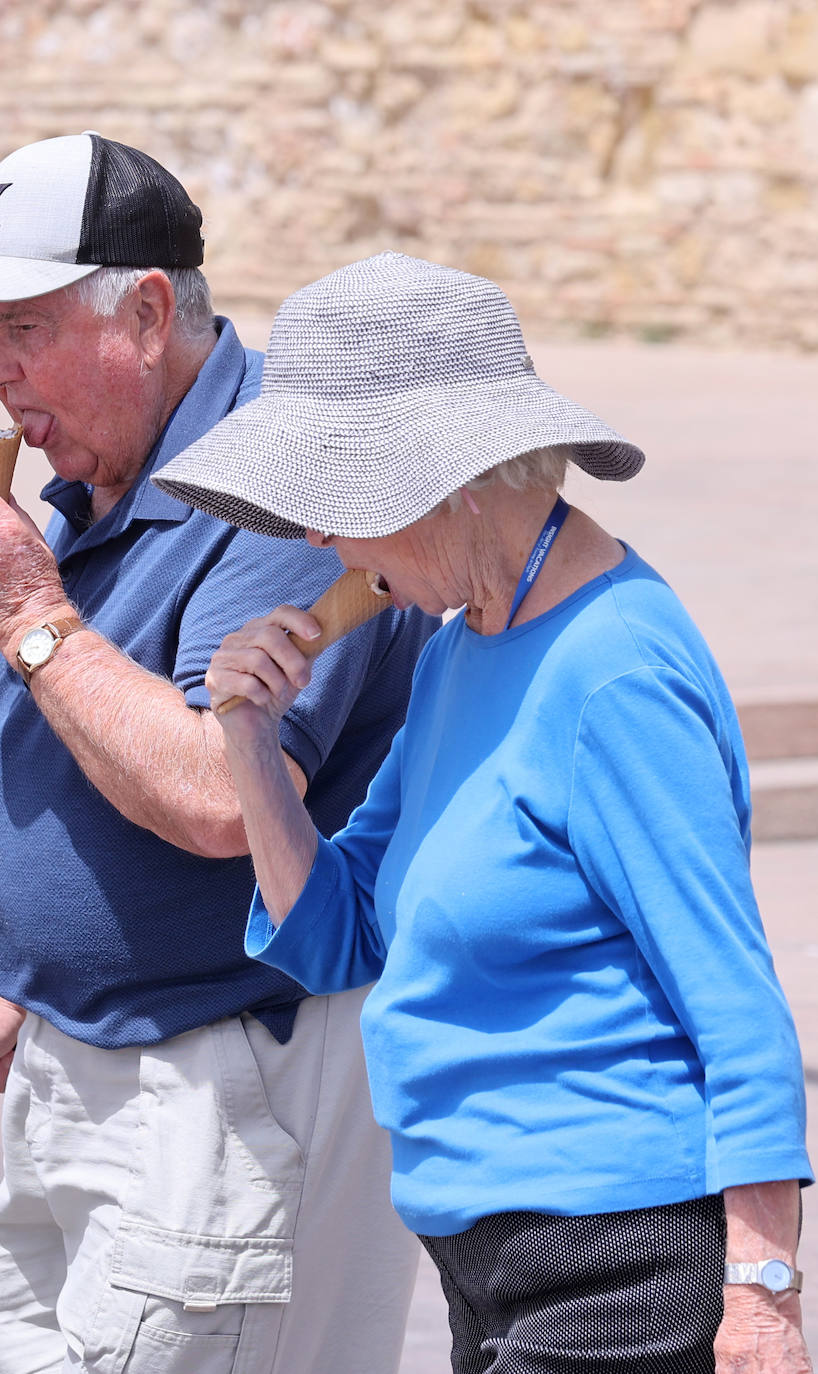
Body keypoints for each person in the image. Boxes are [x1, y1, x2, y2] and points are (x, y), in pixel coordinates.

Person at [152, 251, 815, 1374]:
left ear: (450, 479)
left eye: (334, 503)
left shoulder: (612, 675)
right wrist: (250, 748)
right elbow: (335, 934)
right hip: (486, 1261)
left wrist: (761, 1298)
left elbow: (733, 997)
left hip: (615, 1270)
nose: (315, 544)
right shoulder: (461, 646)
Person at [0, 140, 437, 1374]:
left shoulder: (276, 486)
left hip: (225, 1084)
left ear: (144, 312)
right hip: (98, 1069)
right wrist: (26, 981)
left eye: (24, 329)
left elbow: (215, 799)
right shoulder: (101, 480)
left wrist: (31, 619)